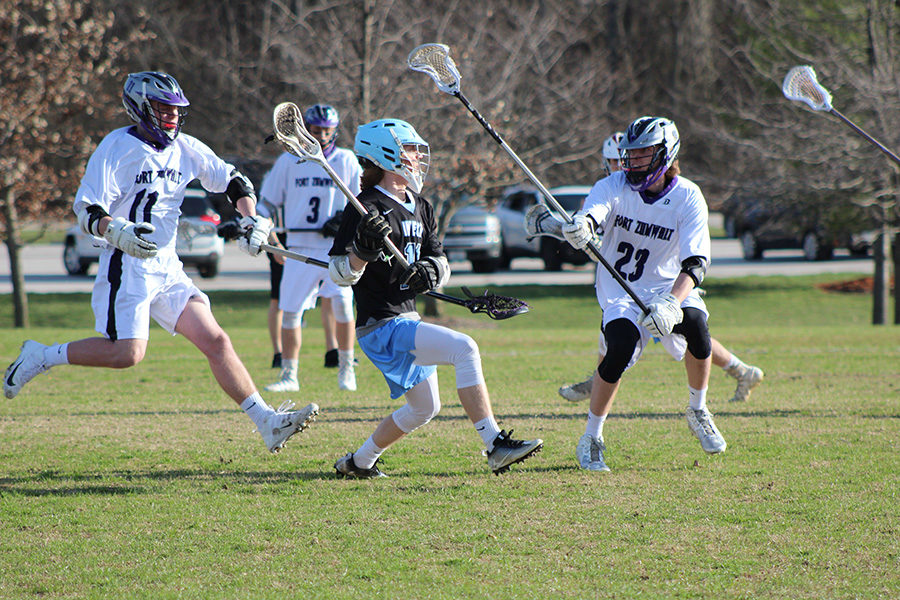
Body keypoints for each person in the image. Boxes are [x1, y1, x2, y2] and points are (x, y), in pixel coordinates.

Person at [3, 71, 317, 453]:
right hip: (127, 262)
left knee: (216, 340)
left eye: (175, 110)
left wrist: (251, 218)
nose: (171, 116)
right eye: (163, 109)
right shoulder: (116, 148)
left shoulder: (186, 148)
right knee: (126, 354)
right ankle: (42, 355)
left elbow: (234, 181)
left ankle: (266, 421)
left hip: (167, 266)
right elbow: (87, 208)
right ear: (140, 107)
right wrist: (115, 229)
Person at [327, 118, 543, 477]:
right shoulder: (363, 206)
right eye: (410, 149)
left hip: (407, 318)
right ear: (386, 154)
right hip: (379, 323)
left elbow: (441, 259)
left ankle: (358, 462)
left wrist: (431, 270)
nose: (416, 157)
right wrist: (362, 252)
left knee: (423, 408)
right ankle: (495, 445)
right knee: (465, 348)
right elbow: (339, 273)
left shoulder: (421, 206)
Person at [562, 116, 726, 472]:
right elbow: (594, 213)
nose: (632, 163)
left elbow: (696, 262)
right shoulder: (612, 185)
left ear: (666, 155)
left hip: (668, 286)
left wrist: (671, 301)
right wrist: (582, 227)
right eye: (629, 155)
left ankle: (698, 409)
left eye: (642, 155)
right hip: (620, 288)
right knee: (619, 348)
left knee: (696, 325)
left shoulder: (688, 196)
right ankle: (592, 436)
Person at [558, 132, 764, 404]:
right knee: (614, 332)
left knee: (690, 329)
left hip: (657, 282)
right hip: (623, 281)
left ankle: (739, 370)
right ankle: (599, 381)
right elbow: (596, 238)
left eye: (629, 158)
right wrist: (572, 231)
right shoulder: (607, 189)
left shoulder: (679, 195)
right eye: (616, 160)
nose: (622, 166)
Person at [257, 104, 361, 392]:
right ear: (306, 131)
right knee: (290, 312)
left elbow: (361, 202)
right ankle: (289, 376)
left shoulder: (346, 161)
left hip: (334, 249)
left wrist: (343, 221)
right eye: (316, 131)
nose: (323, 136)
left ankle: (346, 369)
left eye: (327, 131)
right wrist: (273, 242)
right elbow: (265, 204)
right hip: (300, 249)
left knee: (342, 306)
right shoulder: (288, 162)